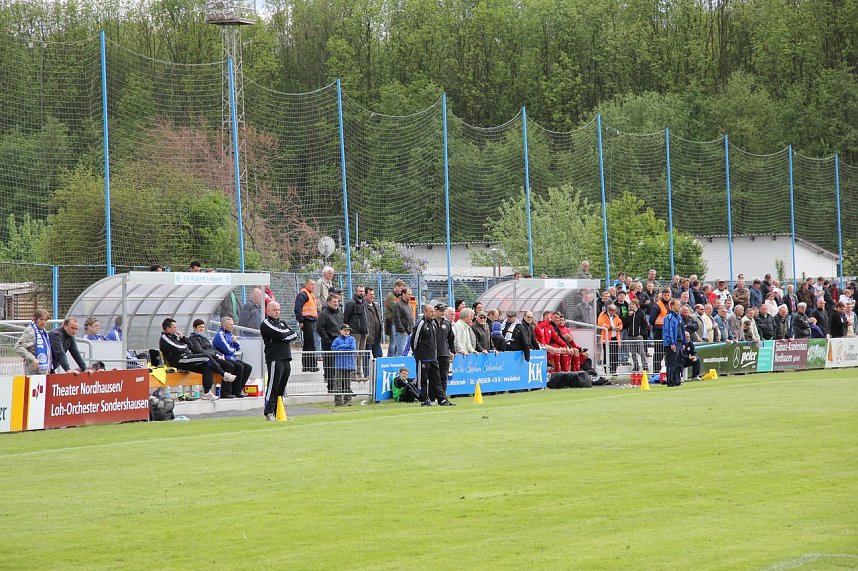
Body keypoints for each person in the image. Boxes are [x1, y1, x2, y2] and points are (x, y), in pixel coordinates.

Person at [160, 318, 233, 400]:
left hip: (187, 358)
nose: (176, 329)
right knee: (206, 357)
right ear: (168, 328)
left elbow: (189, 345)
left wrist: (182, 337)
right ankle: (224, 374)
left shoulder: (175, 336)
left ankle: (207, 392)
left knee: (207, 367)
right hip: (179, 361)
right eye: (174, 327)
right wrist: (185, 344)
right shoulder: (165, 338)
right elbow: (179, 347)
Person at [260, 302, 298, 420]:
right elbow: (279, 333)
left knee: (282, 386)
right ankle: (269, 412)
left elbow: (294, 334)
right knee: (273, 385)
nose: (277, 312)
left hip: (286, 356)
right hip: (275, 357)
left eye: (279, 309)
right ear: (268, 311)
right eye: (275, 309)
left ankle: (279, 412)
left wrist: (283, 336)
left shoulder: (282, 323)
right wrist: (284, 335)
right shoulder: (266, 323)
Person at [411, 303, 454, 406]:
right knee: (423, 380)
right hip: (423, 357)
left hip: (433, 356)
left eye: (433, 312)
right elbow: (414, 341)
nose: (433, 314)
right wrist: (418, 353)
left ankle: (442, 399)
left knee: (437, 379)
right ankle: (423, 399)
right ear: (425, 312)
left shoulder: (433, 324)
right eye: (431, 312)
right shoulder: (420, 324)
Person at [188, 319, 240, 398]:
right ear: (194, 328)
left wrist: (219, 354)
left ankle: (229, 388)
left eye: (203, 327)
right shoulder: (193, 338)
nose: (202, 329)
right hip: (204, 360)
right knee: (209, 368)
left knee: (230, 366)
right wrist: (215, 355)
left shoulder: (204, 337)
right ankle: (224, 384)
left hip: (212, 358)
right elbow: (199, 351)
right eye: (199, 327)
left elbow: (212, 348)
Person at [212, 316, 253, 397]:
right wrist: (234, 348)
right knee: (239, 367)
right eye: (230, 324)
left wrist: (234, 343)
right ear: (224, 325)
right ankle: (233, 392)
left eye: (232, 324)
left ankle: (239, 389)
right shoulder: (220, 335)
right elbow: (227, 350)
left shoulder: (229, 334)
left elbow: (238, 347)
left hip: (231, 358)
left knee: (248, 367)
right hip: (223, 358)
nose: (232, 326)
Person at [14, 308, 53, 375]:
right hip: (33, 371)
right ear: (35, 320)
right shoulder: (31, 332)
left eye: (45, 320)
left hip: (43, 370)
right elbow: (18, 347)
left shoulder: (43, 332)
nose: (43, 322)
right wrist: (32, 359)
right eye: (41, 319)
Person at [343, 285, 369, 379]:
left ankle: (360, 373)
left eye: (363, 291)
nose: (361, 293)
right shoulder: (351, 303)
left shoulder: (364, 302)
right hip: (355, 332)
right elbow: (346, 317)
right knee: (354, 354)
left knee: (361, 354)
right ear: (356, 292)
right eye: (360, 291)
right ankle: (353, 374)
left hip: (364, 331)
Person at [294, 278, 319, 373]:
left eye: (314, 284)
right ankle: (311, 365)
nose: (314, 286)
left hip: (311, 321)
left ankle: (307, 365)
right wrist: (300, 320)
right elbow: (297, 308)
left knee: (308, 344)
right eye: (312, 284)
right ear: (307, 285)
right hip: (307, 321)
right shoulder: (303, 294)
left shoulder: (309, 294)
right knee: (310, 344)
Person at [434, 304, 457, 396]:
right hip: (433, 354)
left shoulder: (447, 324)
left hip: (444, 354)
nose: (443, 312)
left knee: (444, 377)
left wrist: (452, 351)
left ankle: (443, 396)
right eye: (440, 311)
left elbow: (451, 338)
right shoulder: (431, 323)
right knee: (434, 377)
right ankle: (433, 396)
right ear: (435, 311)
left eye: (444, 311)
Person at [331, 324, 357, 406]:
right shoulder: (336, 340)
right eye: (345, 330)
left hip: (349, 365)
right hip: (339, 365)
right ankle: (338, 401)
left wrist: (340, 347)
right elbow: (334, 349)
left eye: (348, 330)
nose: (347, 332)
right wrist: (345, 347)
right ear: (341, 331)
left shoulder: (352, 339)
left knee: (347, 384)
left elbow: (352, 348)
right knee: (338, 385)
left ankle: (348, 400)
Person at [662, 299, 684, 387]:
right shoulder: (669, 317)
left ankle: (677, 380)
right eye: (677, 305)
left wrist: (683, 343)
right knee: (671, 363)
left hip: (679, 341)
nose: (679, 306)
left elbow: (681, 330)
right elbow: (669, 330)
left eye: (679, 305)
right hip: (672, 343)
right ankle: (670, 381)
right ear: (672, 306)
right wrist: (672, 343)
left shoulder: (679, 316)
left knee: (678, 362)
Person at [598, 304, 623, 375]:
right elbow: (600, 324)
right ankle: (607, 371)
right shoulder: (602, 315)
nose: (614, 312)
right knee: (607, 355)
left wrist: (619, 327)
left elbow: (620, 323)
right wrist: (611, 327)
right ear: (609, 310)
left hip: (615, 338)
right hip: (606, 339)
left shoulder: (616, 316)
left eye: (615, 311)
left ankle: (614, 371)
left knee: (615, 355)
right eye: (613, 311)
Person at [626, 299, 649, 372]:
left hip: (638, 335)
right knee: (633, 352)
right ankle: (636, 365)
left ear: (636, 305)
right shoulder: (629, 313)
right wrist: (629, 316)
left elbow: (645, 324)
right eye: (630, 304)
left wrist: (641, 333)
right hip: (630, 335)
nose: (631, 306)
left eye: (633, 304)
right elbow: (626, 324)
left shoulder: (641, 313)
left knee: (641, 351)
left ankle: (645, 366)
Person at [384, 280, 406, 355]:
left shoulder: (400, 297)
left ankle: (396, 360)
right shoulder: (390, 296)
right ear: (396, 286)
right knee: (393, 343)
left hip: (398, 322)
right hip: (392, 322)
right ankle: (390, 359)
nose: (402, 291)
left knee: (398, 343)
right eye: (401, 288)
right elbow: (396, 309)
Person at [364, 287, 383, 369]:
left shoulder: (376, 306)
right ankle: (367, 374)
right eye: (370, 294)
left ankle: (378, 373)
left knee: (379, 356)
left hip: (377, 337)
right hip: (368, 337)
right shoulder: (363, 307)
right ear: (365, 295)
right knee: (367, 358)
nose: (372, 296)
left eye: (373, 294)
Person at [392, 287, 414, 357]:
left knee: (408, 352)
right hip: (402, 333)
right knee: (401, 351)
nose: (410, 296)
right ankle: (398, 367)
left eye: (411, 294)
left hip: (410, 332)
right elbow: (397, 319)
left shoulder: (410, 305)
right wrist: (402, 330)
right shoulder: (398, 305)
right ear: (403, 294)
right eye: (408, 294)